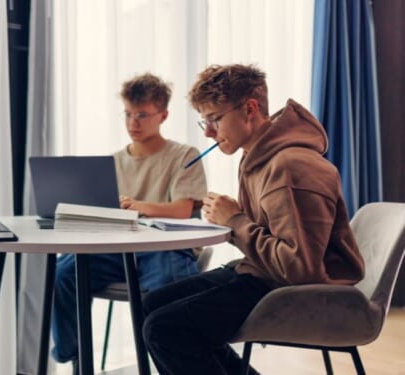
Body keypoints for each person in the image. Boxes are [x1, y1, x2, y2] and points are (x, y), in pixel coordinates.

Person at [141, 64, 366, 374]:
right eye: (204, 121)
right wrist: (234, 219)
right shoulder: (256, 157)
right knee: (153, 304)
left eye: (214, 119)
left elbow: (299, 268)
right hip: (264, 274)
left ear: (249, 109)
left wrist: (234, 221)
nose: (208, 132)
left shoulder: (289, 167)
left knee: (165, 328)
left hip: (294, 288)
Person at [51, 73, 208, 369]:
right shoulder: (112, 161)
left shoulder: (184, 155)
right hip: (117, 249)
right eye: (128, 114)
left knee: (168, 288)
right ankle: (71, 354)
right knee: (64, 273)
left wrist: (137, 207)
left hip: (164, 247)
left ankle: (174, 362)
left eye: (142, 115)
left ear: (163, 115)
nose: (132, 124)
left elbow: (184, 210)